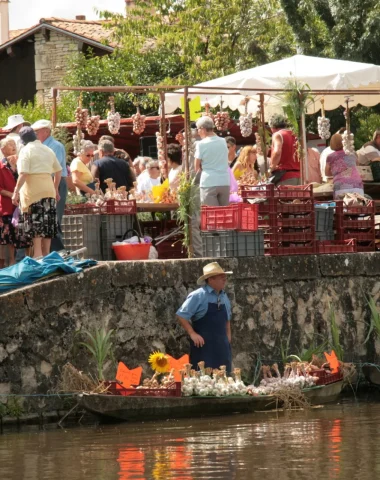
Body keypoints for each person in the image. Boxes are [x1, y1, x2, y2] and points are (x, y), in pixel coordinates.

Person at [12, 127, 62, 258]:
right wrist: (55, 188)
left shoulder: (25, 150)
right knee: (48, 224)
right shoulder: (48, 149)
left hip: (33, 192)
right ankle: (47, 254)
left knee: (36, 226)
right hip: (49, 190)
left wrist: (15, 192)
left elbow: (23, 173)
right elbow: (58, 171)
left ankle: (38, 256)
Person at [176, 262, 233, 373]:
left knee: (224, 383)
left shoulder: (224, 296)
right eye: (221, 277)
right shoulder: (198, 295)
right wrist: (192, 333)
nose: (224, 280)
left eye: (225, 277)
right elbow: (181, 315)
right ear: (210, 279)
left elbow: (227, 319)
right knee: (203, 382)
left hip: (222, 348)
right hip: (204, 349)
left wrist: (228, 338)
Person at [31, 119, 68, 252]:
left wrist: (55, 189)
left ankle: (58, 251)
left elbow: (55, 171)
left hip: (54, 183)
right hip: (48, 184)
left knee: (53, 218)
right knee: (48, 219)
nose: (35, 134)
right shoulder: (42, 146)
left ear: (46, 131)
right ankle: (53, 252)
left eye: (37, 131)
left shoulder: (55, 146)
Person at [195, 116, 230, 206]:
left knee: (212, 215)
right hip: (224, 182)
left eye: (198, 129)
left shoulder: (201, 144)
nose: (198, 132)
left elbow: (196, 167)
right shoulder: (223, 141)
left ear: (203, 129)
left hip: (208, 182)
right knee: (224, 214)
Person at [325, 133, 364, 199]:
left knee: (342, 208)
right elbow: (357, 166)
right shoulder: (352, 153)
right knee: (358, 207)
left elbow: (327, 173)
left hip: (341, 186)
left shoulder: (330, 157)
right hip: (357, 185)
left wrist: (336, 172)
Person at [0, 139, 18, 266]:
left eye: (14, 144)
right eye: (10, 145)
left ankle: (14, 262)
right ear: (2, 150)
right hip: (6, 206)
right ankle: (8, 263)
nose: (13, 147)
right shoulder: (1, 167)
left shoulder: (21, 165)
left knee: (17, 237)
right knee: (6, 238)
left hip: (18, 206)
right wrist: (13, 195)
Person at [269, 114, 300, 186]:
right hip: (298, 176)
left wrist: (272, 167)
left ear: (272, 127)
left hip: (284, 177)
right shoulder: (295, 135)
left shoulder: (278, 134)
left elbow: (277, 151)